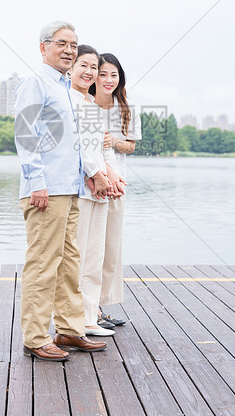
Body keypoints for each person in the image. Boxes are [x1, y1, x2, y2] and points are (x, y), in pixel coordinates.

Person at [13, 21, 108, 362]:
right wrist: (37, 181)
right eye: (62, 43)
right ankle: (35, 337)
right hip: (45, 190)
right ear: (44, 47)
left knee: (70, 262)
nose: (69, 50)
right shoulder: (35, 83)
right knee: (43, 263)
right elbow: (26, 136)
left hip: (69, 189)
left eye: (74, 44)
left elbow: (75, 144)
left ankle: (69, 328)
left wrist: (90, 174)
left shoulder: (68, 89)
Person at [69, 44, 121, 337]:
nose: (89, 72)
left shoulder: (90, 106)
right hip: (82, 190)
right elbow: (81, 150)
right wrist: (97, 175)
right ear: (72, 68)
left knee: (94, 256)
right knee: (76, 257)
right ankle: (72, 321)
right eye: (84, 66)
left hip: (99, 190)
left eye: (93, 68)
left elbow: (101, 146)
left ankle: (89, 318)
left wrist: (112, 176)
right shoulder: (68, 101)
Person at [89, 52, 141, 327]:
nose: (108, 80)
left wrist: (112, 142)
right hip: (90, 184)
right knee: (89, 248)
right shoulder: (84, 103)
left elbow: (131, 146)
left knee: (110, 246)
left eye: (114, 74)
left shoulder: (126, 107)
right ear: (93, 76)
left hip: (117, 185)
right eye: (103, 73)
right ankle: (89, 309)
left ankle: (99, 306)